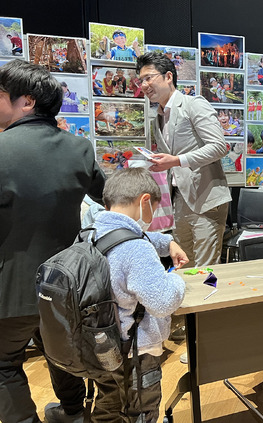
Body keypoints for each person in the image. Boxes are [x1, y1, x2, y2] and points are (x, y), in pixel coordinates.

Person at [0, 59, 105, 423]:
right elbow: (112, 199)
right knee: (59, 346)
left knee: (3, 363)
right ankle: (74, 413)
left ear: (25, 101)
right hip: (67, 283)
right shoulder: (80, 149)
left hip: (9, 286)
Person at [89, 168, 187, 422]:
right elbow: (163, 302)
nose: (151, 217)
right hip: (136, 351)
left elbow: (134, 236)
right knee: (141, 409)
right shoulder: (136, 249)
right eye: (153, 208)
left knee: (111, 405)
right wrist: (175, 278)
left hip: (102, 345)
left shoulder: (91, 231)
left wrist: (169, 243)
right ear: (144, 201)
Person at [136, 51, 231, 267]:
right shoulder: (157, 118)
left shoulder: (193, 104)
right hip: (179, 199)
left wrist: (176, 160)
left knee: (206, 270)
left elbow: (219, 147)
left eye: (149, 77)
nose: (144, 85)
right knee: (183, 264)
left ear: (168, 77)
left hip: (207, 199)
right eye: (141, 80)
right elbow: (170, 161)